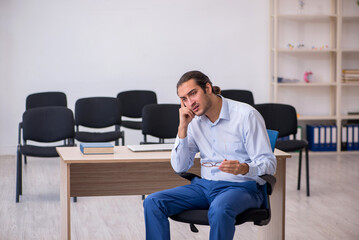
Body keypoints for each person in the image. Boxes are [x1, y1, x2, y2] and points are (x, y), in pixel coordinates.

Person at [143, 70, 276, 240]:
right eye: (184, 99)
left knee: (220, 208)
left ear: (208, 88)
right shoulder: (193, 121)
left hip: (241, 187)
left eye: (193, 94)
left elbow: (269, 164)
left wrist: (244, 168)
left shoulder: (245, 116)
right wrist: (182, 128)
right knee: (153, 202)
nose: (190, 103)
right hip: (205, 186)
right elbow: (180, 166)